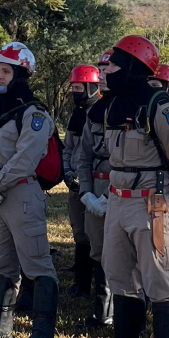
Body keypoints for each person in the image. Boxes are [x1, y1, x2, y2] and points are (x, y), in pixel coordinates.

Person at [92, 35, 169, 338]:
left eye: (114, 65)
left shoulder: (159, 105)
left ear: (134, 68)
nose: (106, 71)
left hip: (152, 202)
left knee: (159, 281)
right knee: (118, 274)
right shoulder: (112, 106)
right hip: (118, 200)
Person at [0, 42, 59, 338]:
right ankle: (0, 327)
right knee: (3, 261)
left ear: (21, 74)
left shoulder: (35, 114)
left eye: (5, 70)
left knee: (37, 263)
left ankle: (41, 336)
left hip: (21, 192)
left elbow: (24, 159)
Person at [77, 51, 116, 329]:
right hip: (95, 187)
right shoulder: (94, 112)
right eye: (99, 71)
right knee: (98, 250)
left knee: (127, 254)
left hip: (122, 191)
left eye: (106, 70)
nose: (101, 76)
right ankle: (102, 310)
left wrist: (109, 193)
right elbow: (85, 156)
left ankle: (125, 312)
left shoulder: (135, 109)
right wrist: (87, 193)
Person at [64, 64, 99, 298]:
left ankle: (102, 288)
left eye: (79, 87)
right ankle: (82, 283)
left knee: (97, 235)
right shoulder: (76, 115)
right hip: (75, 183)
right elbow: (68, 147)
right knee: (79, 233)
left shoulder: (102, 112)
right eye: (74, 88)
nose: (76, 92)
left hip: (96, 184)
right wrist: (67, 172)